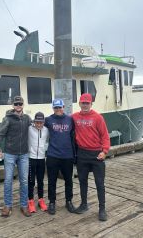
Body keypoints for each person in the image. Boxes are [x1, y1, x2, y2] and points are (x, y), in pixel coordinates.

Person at [72, 93, 110, 221]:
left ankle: (102, 209)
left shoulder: (98, 118)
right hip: (82, 154)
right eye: (83, 103)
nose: (85, 105)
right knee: (82, 181)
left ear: (91, 104)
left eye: (87, 103)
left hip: (96, 155)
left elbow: (105, 136)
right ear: (79, 104)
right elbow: (62, 120)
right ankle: (84, 204)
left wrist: (104, 151)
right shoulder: (74, 117)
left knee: (100, 183)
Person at [0, 95, 32, 217]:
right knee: (8, 180)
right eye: (16, 104)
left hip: (24, 155)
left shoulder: (27, 119)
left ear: (23, 105)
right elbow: (0, 135)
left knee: (24, 181)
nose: (18, 106)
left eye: (20, 104)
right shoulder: (7, 119)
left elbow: (36, 128)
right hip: (10, 153)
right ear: (13, 105)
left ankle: (24, 205)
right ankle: (7, 205)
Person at [44, 98, 76, 215]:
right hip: (53, 155)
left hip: (67, 155)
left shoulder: (70, 119)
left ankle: (69, 201)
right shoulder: (48, 120)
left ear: (63, 107)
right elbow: (35, 124)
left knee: (69, 180)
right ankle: (52, 202)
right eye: (56, 107)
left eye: (60, 107)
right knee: (52, 180)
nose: (58, 109)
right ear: (53, 108)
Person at [27, 112, 49, 213]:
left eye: (41, 122)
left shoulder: (46, 130)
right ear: (34, 122)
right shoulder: (29, 129)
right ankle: (30, 200)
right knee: (31, 181)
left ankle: (41, 199)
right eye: (37, 122)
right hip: (31, 158)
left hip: (41, 158)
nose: (39, 124)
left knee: (40, 181)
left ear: (44, 122)